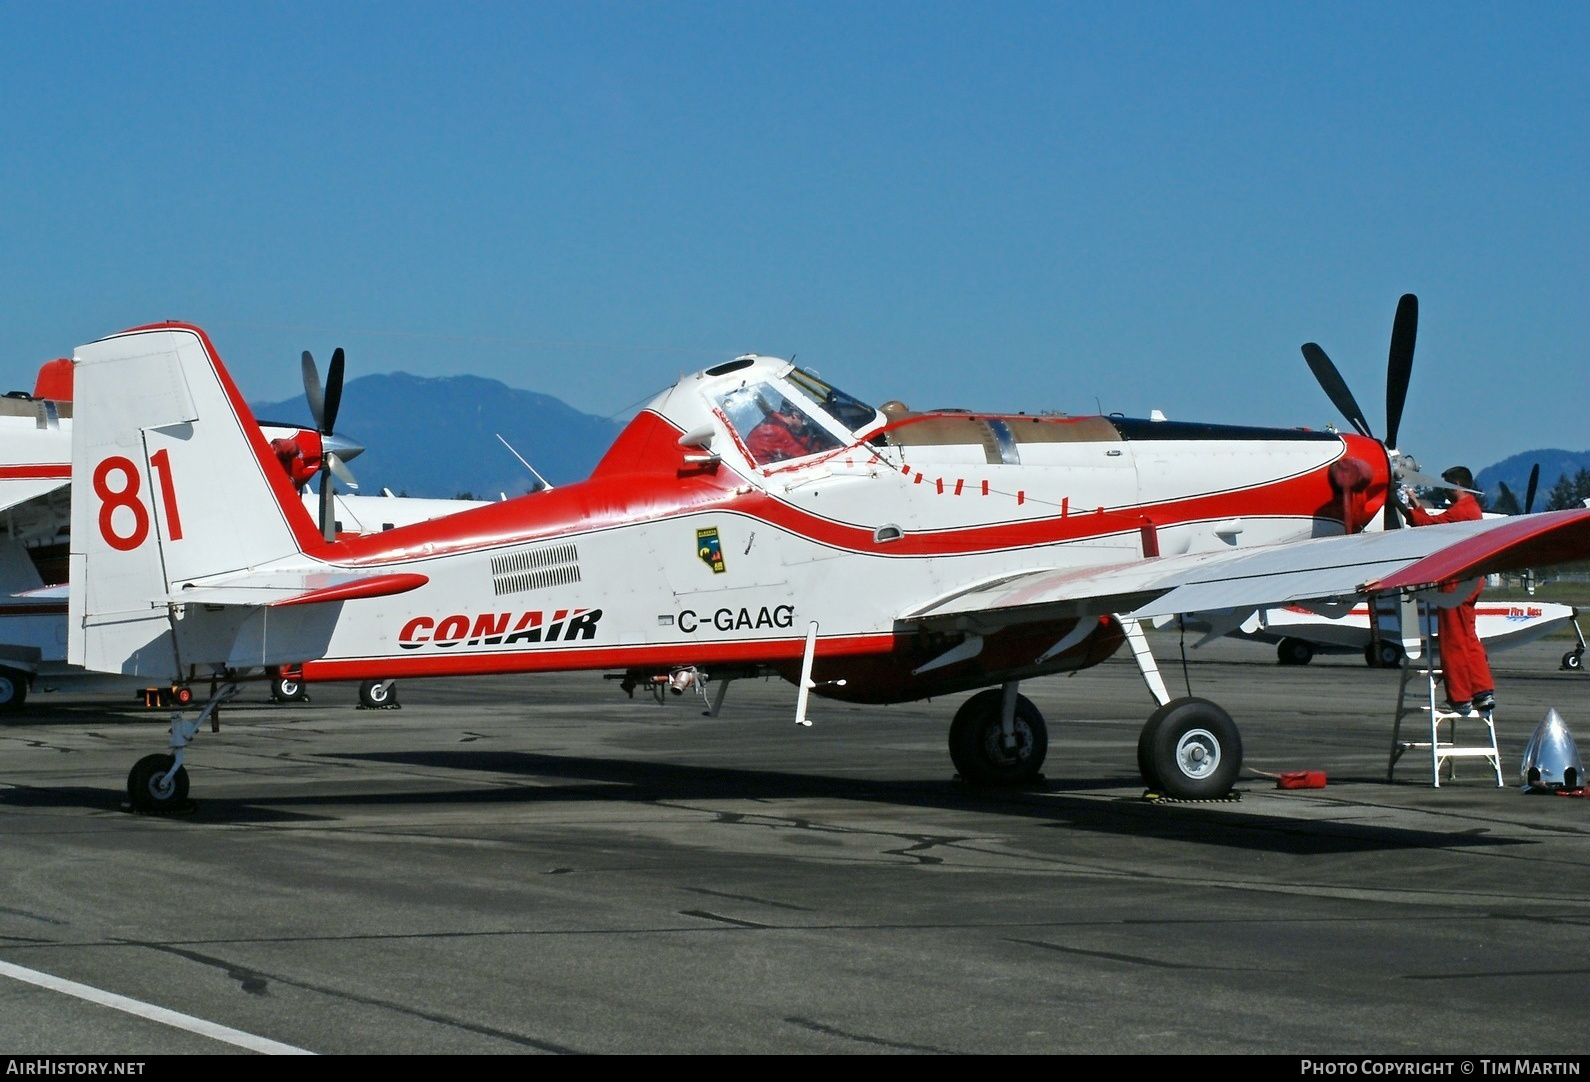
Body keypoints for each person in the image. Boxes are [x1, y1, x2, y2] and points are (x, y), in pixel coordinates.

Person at [1397, 466, 1495, 714]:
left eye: (1447, 487)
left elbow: (1426, 525)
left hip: (1456, 581)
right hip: (1471, 580)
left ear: (1458, 486)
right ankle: (1481, 691)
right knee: (1468, 636)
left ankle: (1460, 697)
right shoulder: (1472, 509)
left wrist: (1405, 506)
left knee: (1453, 641)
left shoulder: (1461, 512)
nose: (1443, 492)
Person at [746, 400, 818, 464]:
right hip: (759, 468)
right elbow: (804, 455)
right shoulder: (779, 432)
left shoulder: (774, 420)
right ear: (795, 416)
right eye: (804, 420)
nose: (803, 424)